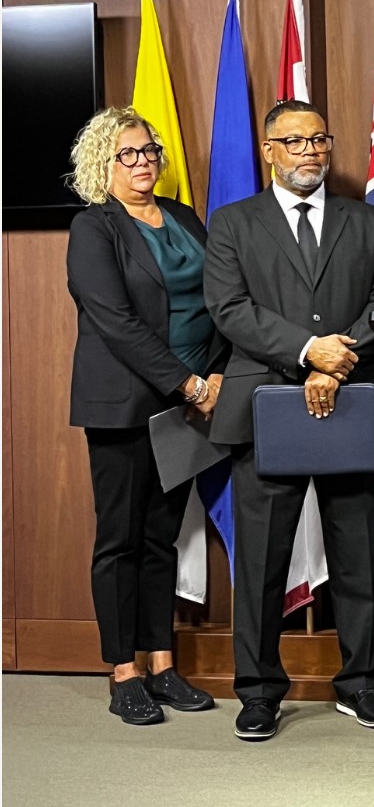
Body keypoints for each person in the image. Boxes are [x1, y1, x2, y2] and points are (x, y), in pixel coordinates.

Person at [204, 99, 374, 741]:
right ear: (268, 151)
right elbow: (229, 309)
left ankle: (361, 685)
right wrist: (306, 350)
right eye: (295, 142)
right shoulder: (232, 223)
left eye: (319, 139)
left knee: (354, 554)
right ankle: (258, 692)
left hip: (349, 400)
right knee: (260, 561)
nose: (311, 151)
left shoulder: (366, 222)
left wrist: (333, 362)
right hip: (264, 406)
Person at [66, 107, 225, 725]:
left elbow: (219, 299)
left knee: (162, 536)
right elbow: (115, 321)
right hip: (126, 405)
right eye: (127, 154)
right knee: (121, 539)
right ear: (103, 165)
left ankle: (162, 663)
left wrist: (212, 375)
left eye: (149, 151)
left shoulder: (184, 218)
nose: (142, 163)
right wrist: (183, 381)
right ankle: (123, 671)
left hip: (189, 400)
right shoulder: (94, 228)